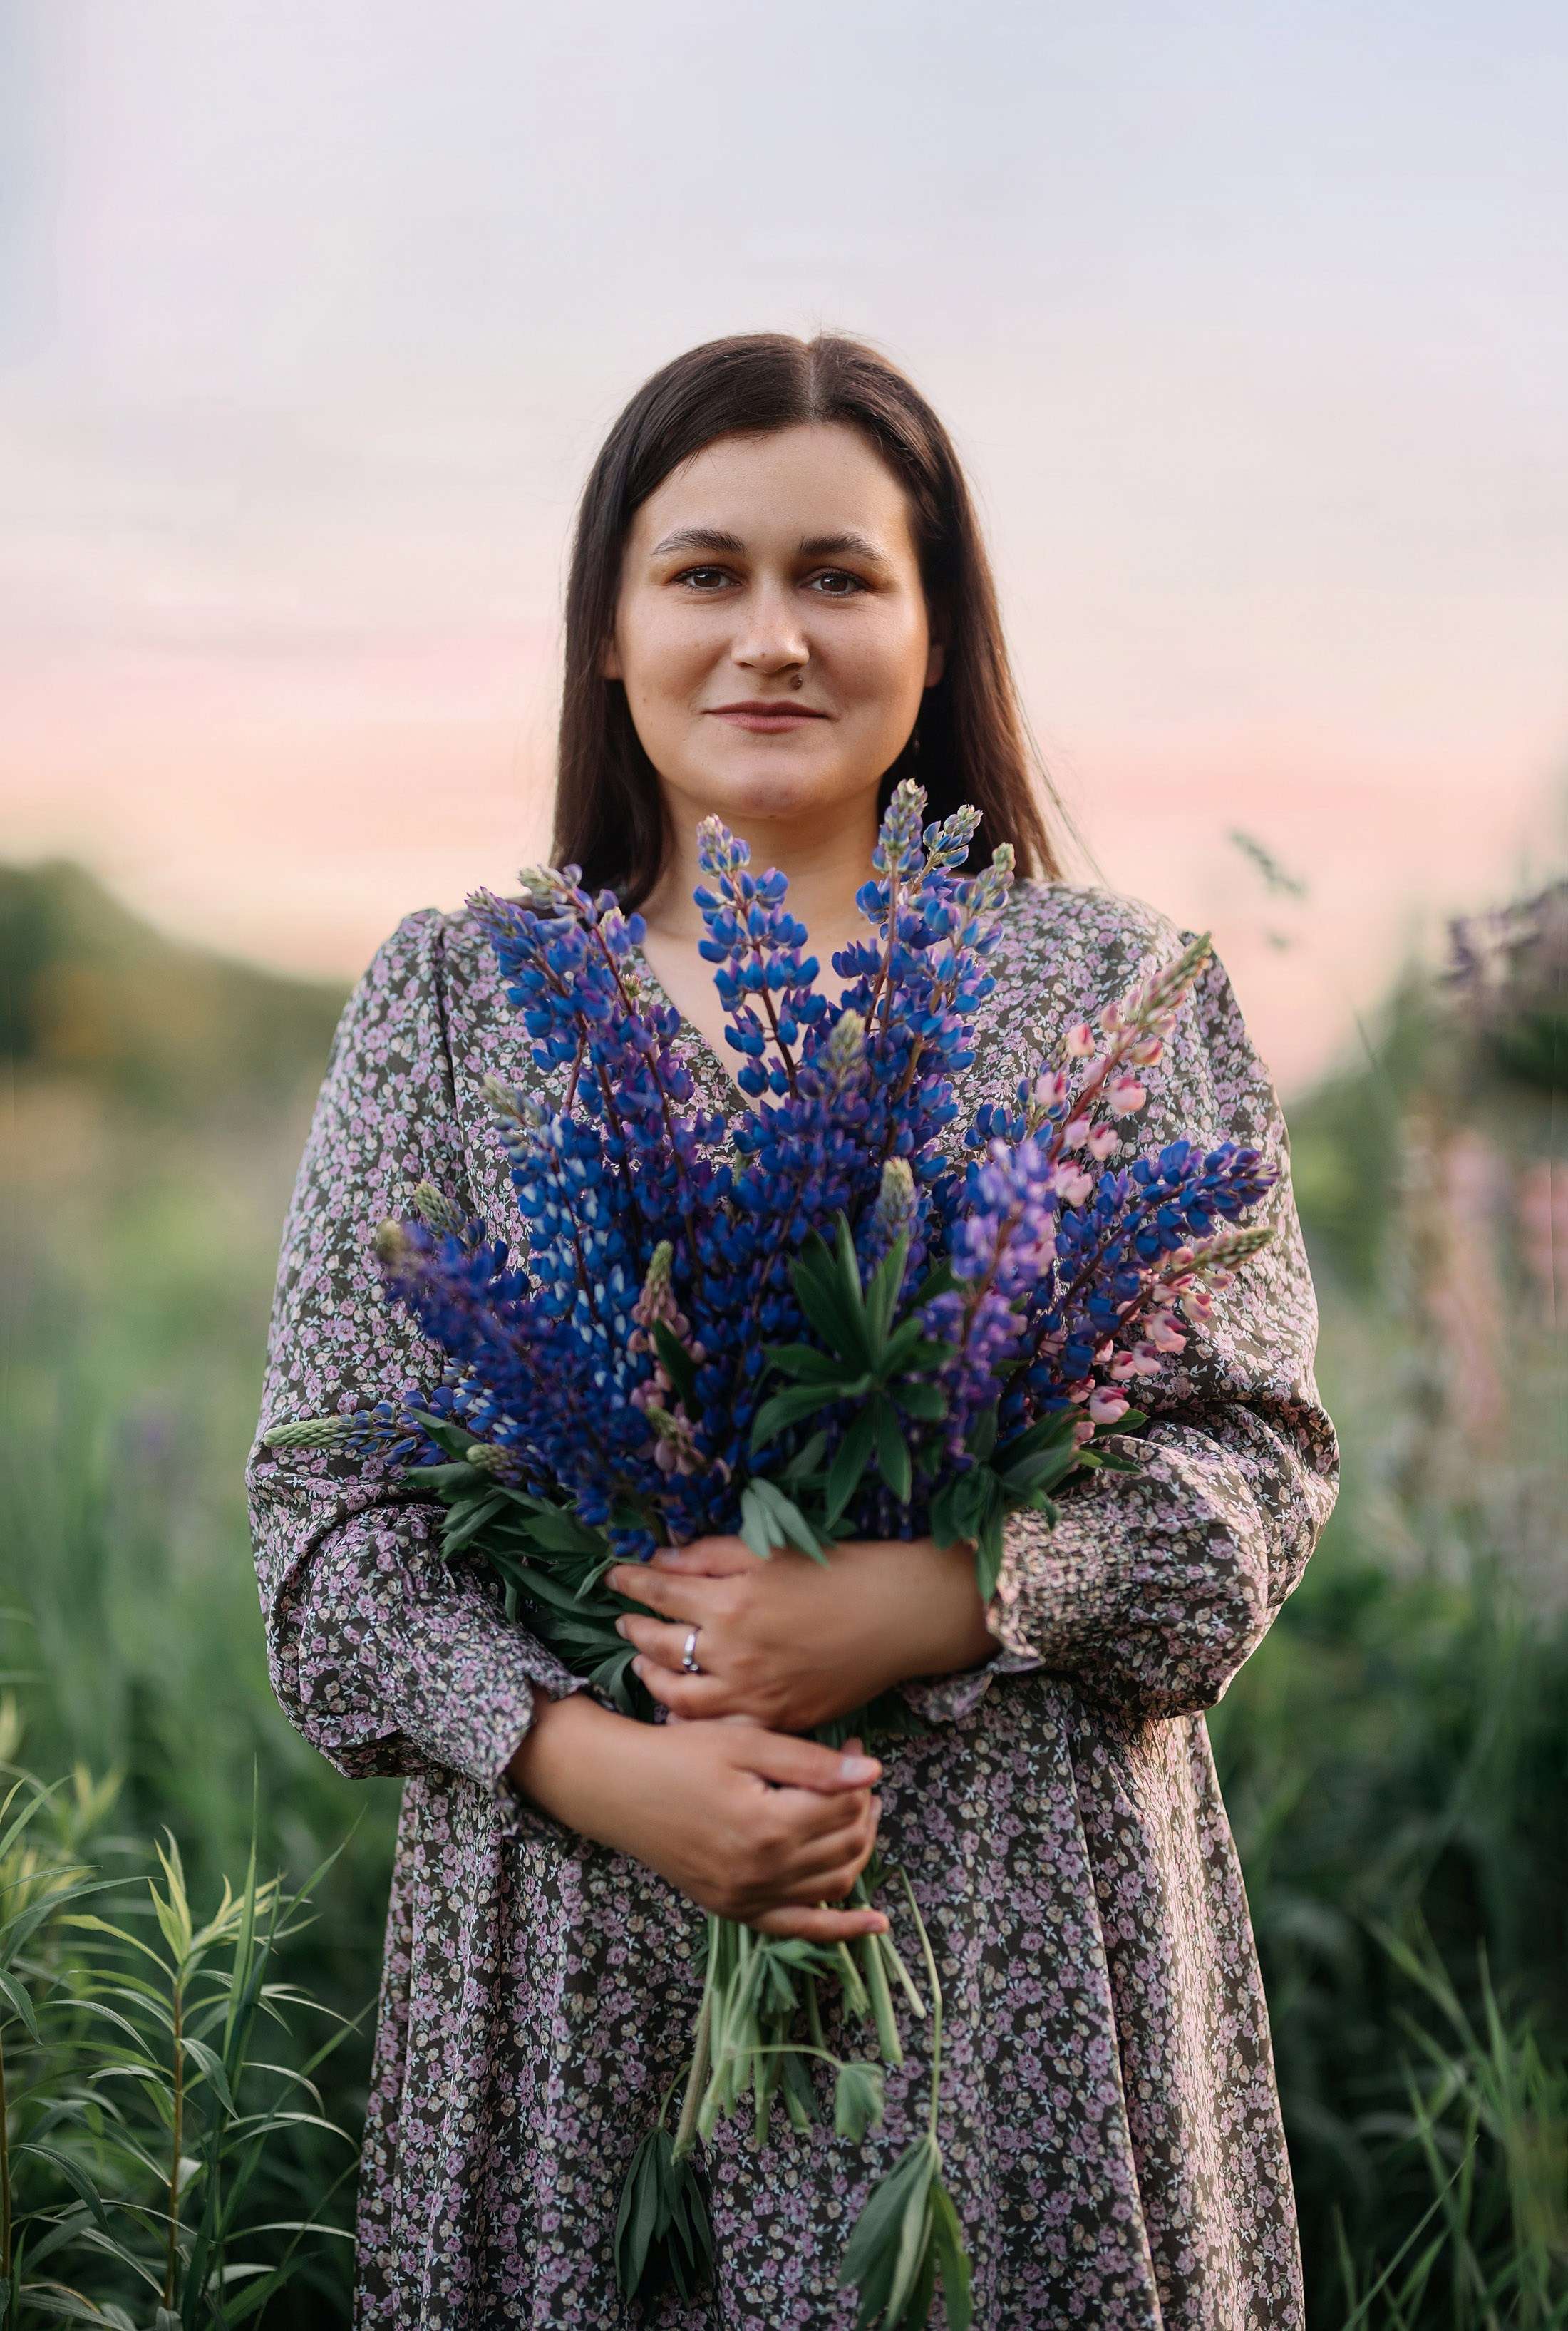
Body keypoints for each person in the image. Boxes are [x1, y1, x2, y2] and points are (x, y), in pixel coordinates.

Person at [249, 332, 1337, 2328]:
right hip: (581, 1992)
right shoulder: (459, 997)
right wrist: (589, 1760)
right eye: (705, 573)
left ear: (937, 628)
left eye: (839, 576)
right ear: (606, 626)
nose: (772, 637)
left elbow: (1252, 1472)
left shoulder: (1113, 995)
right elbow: (327, 1533)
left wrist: (937, 1597)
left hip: (1010, 1958)